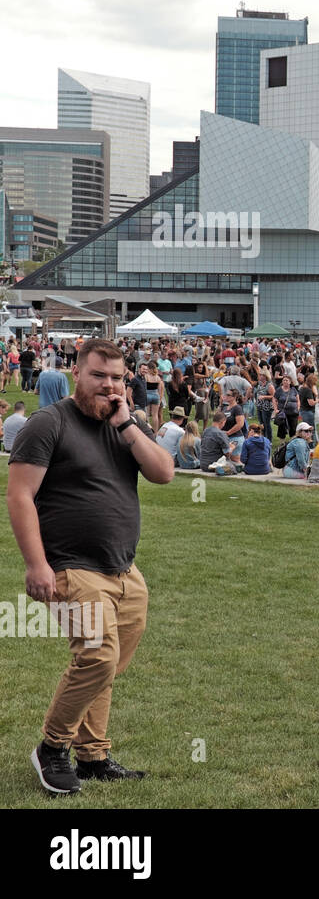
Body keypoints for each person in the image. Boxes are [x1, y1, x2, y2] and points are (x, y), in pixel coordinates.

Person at [8, 338, 175, 794]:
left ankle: (94, 754)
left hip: (124, 569)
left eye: (118, 378)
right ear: (76, 373)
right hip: (70, 566)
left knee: (106, 665)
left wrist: (127, 424)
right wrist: (36, 565)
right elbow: (20, 495)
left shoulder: (127, 423)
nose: (108, 385)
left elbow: (163, 472)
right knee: (97, 659)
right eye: (99, 375)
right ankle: (52, 748)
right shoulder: (48, 423)